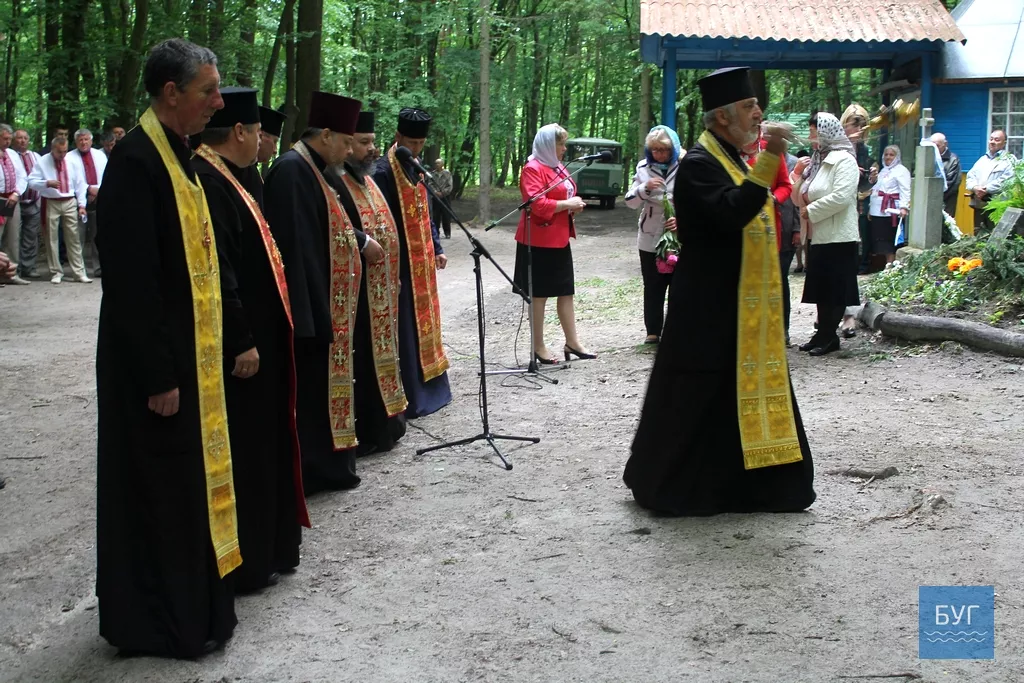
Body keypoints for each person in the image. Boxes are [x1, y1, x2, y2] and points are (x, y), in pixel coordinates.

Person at [94, 37, 238, 659]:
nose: (218, 101)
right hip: (152, 368)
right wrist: (158, 373)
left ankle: (193, 609)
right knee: (154, 489)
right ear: (171, 92)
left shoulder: (179, 154)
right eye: (208, 90)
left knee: (184, 489)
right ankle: (156, 620)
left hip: (187, 357)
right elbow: (131, 281)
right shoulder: (135, 163)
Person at [624, 67, 815, 516]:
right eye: (750, 107)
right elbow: (734, 213)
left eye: (755, 106)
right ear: (723, 117)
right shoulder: (698, 164)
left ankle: (756, 488)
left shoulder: (729, 159)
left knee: (731, 397)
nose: (759, 114)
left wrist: (766, 158)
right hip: (708, 306)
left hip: (736, 305)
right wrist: (772, 156)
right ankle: (682, 486)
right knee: (698, 397)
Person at [192, 86, 310, 594]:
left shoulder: (234, 177)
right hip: (244, 349)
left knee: (268, 447)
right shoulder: (209, 181)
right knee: (250, 451)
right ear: (238, 132)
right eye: (258, 132)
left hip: (263, 339)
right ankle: (251, 554)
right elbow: (221, 271)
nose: (262, 140)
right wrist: (241, 338)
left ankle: (271, 547)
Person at [264, 90, 369, 494]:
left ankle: (328, 467)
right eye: (345, 141)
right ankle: (313, 471)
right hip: (310, 311)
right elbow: (295, 249)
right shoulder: (292, 171)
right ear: (325, 135)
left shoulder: (312, 168)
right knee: (310, 396)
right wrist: (309, 317)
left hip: (326, 305)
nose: (347, 150)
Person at [328, 109, 409, 455]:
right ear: (346, 146)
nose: (371, 149)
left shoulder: (369, 179)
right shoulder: (334, 180)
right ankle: (368, 429)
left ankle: (387, 423)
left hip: (381, 288)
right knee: (362, 361)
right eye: (363, 143)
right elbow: (339, 228)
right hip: (355, 293)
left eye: (373, 142)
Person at [372, 108, 452, 418]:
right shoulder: (382, 171)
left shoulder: (418, 169)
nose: (417, 149)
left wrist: (437, 246)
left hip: (422, 262)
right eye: (412, 142)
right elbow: (379, 220)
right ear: (398, 137)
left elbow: (427, 212)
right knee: (405, 325)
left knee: (427, 322)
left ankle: (433, 389)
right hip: (399, 263)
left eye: (421, 143)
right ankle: (410, 394)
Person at [513, 123, 595, 364]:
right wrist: (567, 206)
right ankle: (538, 346)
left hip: (559, 238)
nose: (564, 148)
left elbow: (564, 195)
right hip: (538, 240)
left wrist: (573, 207)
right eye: (560, 143)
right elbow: (536, 205)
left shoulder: (559, 167)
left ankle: (572, 342)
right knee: (539, 295)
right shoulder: (532, 168)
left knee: (565, 291)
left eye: (564, 143)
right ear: (548, 145)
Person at [793, 112, 861, 357]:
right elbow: (799, 195)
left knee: (835, 288)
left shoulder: (845, 160)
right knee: (821, 288)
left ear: (825, 132)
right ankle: (822, 333)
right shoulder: (816, 160)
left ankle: (830, 336)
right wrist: (800, 176)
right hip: (818, 234)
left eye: (813, 131)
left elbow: (842, 196)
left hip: (838, 235)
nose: (811, 136)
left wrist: (811, 210)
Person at [625, 125, 682, 344]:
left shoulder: (686, 167)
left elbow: (697, 200)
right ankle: (653, 331)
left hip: (679, 234)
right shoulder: (642, 168)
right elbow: (630, 202)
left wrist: (683, 220)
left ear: (673, 149)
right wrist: (644, 188)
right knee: (653, 284)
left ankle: (677, 330)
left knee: (679, 285)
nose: (659, 154)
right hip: (650, 235)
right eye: (655, 150)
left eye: (664, 150)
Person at [27, 136, 91, 284]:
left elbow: (81, 183)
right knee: (51, 237)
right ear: (52, 149)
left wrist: (82, 205)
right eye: (59, 152)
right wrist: (46, 183)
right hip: (51, 201)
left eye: (64, 151)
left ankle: (79, 272)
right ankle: (56, 271)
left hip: (69, 200)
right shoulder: (43, 161)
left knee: (73, 237)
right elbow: (31, 182)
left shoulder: (72, 161)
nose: (62, 155)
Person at [67, 128, 108, 277]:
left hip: (99, 200)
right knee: (78, 237)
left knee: (98, 236)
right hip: (78, 201)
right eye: (80, 140)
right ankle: (79, 269)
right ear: (76, 142)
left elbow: (106, 175)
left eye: (86, 139)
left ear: (91, 140)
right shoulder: (69, 157)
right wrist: (88, 189)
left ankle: (98, 268)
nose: (83, 143)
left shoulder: (100, 155)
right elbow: (71, 179)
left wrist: (97, 191)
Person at [867, 145, 911, 266]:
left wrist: (903, 207)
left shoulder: (902, 171)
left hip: (892, 209)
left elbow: (905, 190)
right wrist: (871, 208)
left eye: (891, 155)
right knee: (880, 238)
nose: (888, 157)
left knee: (889, 237)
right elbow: (875, 190)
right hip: (879, 210)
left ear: (897, 157)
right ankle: (884, 264)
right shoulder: (882, 171)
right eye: (886, 154)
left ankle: (890, 263)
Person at [966, 130, 1013, 233]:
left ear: (1004, 142)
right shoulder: (982, 160)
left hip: (996, 206)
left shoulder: (1009, 160)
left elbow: (1007, 181)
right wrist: (975, 188)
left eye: (997, 140)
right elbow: (970, 177)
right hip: (979, 205)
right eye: (991, 139)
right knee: (978, 235)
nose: (992, 142)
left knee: (994, 236)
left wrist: (986, 189)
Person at [0, 124, 29, 285]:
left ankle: (11, 273)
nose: (8, 142)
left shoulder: (12, 154)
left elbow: (22, 176)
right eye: (5, 139)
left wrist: (16, 193)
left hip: (12, 199)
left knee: (13, 237)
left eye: (10, 139)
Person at [11, 130, 41, 279]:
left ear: (29, 140)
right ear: (13, 140)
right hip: (15, 203)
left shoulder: (36, 156)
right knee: (13, 237)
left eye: (25, 138)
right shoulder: (10, 156)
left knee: (31, 236)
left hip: (34, 202)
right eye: (19, 138)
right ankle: (13, 269)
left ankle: (28, 267)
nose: (22, 141)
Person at [931, 133, 961, 218]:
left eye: (937, 146)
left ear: (945, 144)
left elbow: (951, 183)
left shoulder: (953, 159)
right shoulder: (928, 158)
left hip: (946, 201)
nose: (935, 149)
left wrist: (935, 196)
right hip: (929, 199)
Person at [432, 158, 454, 238]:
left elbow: (450, 185)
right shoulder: (432, 174)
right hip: (435, 197)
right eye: (435, 163)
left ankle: (447, 233)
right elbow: (430, 184)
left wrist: (443, 193)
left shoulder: (447, 173)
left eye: (438, 163)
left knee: (446, 215)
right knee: (435, 216)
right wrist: (435, 192)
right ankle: (436, 232)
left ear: (442, 164)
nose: (436, 165)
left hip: (445, 197)